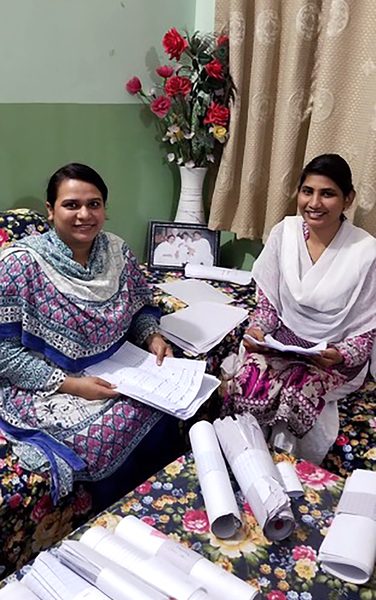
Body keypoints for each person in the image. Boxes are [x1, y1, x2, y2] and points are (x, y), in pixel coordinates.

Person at [0, 163, 178, 507]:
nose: (84, 214)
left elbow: (139, 308)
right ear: (50, 211)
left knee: (164, 407)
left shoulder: (116, 251)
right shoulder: (20, 265)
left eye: (94, 204)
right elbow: (4, 354)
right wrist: (71, 384)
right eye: (71, 205)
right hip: (44, 382)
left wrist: (152, 337)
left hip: (116, 366)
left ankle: (157, 504)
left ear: (105, 210)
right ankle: (109, 520)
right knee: (106, 432)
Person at [221, 154, 376, 463]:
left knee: (297, 392)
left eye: (327, 193)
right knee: (248, 378)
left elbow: (366, 332)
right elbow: (268, 306)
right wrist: (258, 330)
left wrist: (340, 354)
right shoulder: (285, 233)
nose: (314, 202)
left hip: (332, 357)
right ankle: (244, 463)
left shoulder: (365, 252)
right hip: (282, 342)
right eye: (307, 191)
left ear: (348, 199)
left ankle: (289, 475)